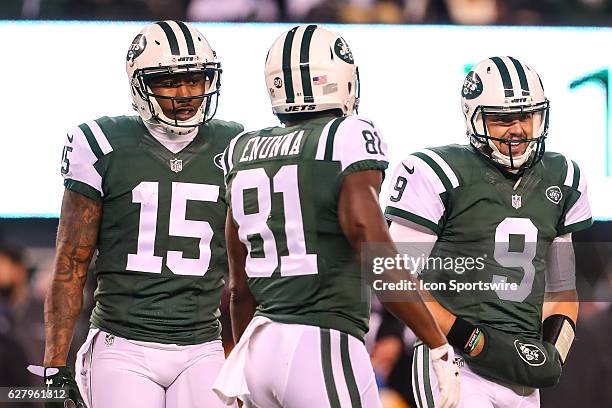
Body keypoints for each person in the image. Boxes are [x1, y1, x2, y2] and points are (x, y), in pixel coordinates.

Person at [213, 25, 460, 408]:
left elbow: (239, 287)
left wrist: (246, 360)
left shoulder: (243, 150)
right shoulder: (344, 136)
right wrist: (437, 343)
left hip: (259, 345)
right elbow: (372, 246)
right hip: (321, 343)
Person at [34, 20, 243, 408]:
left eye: (196, 79)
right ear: (139, 85)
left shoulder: (235, 145)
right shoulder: (102, 143)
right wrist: (53, 367)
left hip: (203, 342)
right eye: (169, 81)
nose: (186, 93)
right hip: (123, 343)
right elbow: (71, 262)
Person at [384, 56, 592, 407]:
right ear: (474, 117)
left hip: (520, 360)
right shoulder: (437, 171)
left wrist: (553, 352)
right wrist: (467, 336)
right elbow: (393, 279)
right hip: (453, 357)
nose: (518, 129)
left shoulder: (563, 177)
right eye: (503, 118)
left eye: (526, 116)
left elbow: (561, 288)